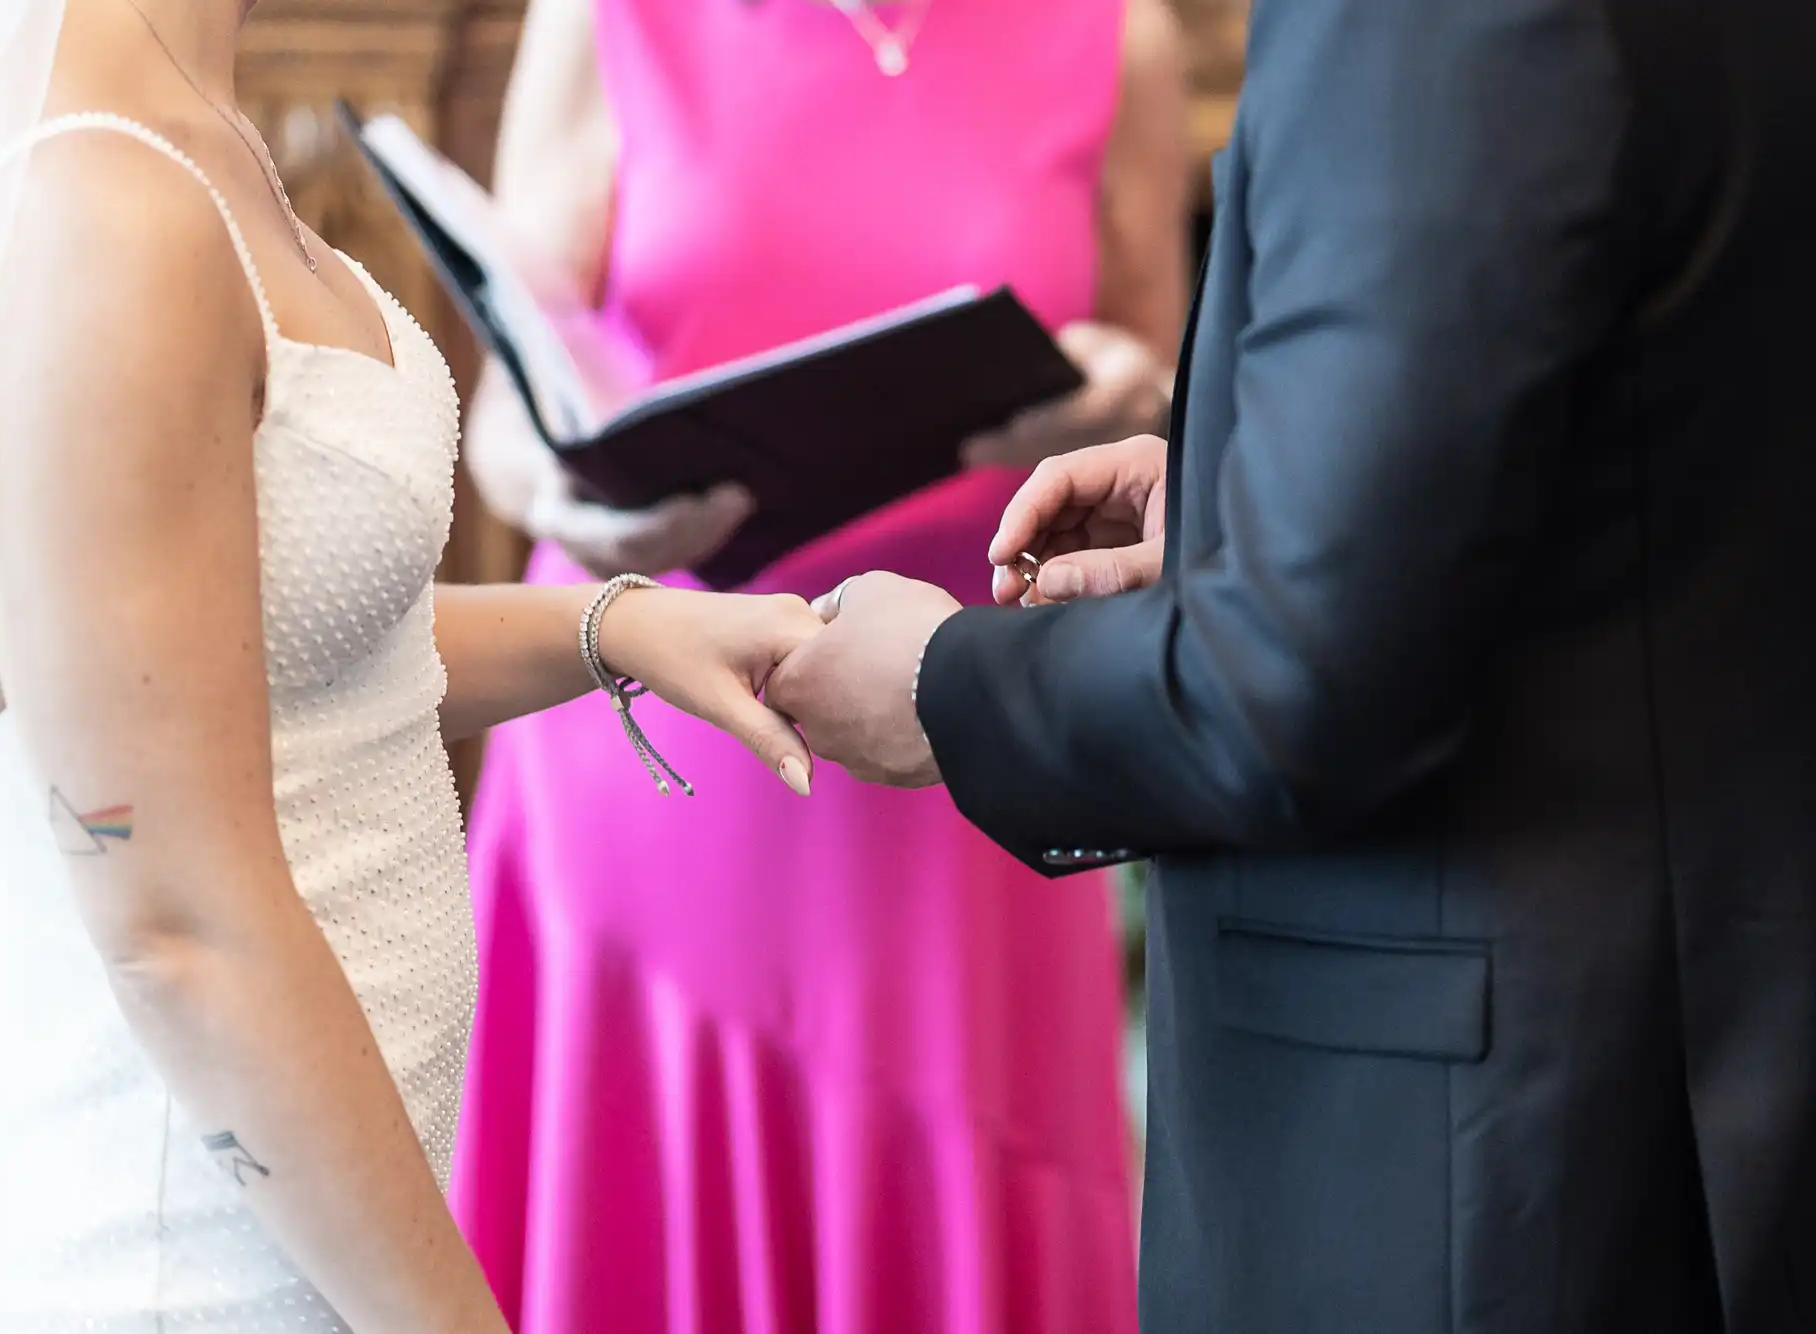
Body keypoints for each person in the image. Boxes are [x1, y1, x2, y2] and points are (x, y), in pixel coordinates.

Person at [766, 0, 1816, 1330]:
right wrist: (1249, 498)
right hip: (1690, 1041)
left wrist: (941, 687)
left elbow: (1286, 694)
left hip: (1479, 1153)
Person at [0, 1, 838, 1329]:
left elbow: (264, 652)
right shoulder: (107, 202)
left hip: (319, 1221)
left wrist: (618, 627)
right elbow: (175, 922)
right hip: (189, 1251)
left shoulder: (179, 120)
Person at [449, 0, 1191, 1329]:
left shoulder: (1115, 33)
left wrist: (1123, 388)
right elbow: (517, 398)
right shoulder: (613, 13)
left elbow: (1154, 360)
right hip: (659, 742)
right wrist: (573, 503)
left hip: (964, 759)